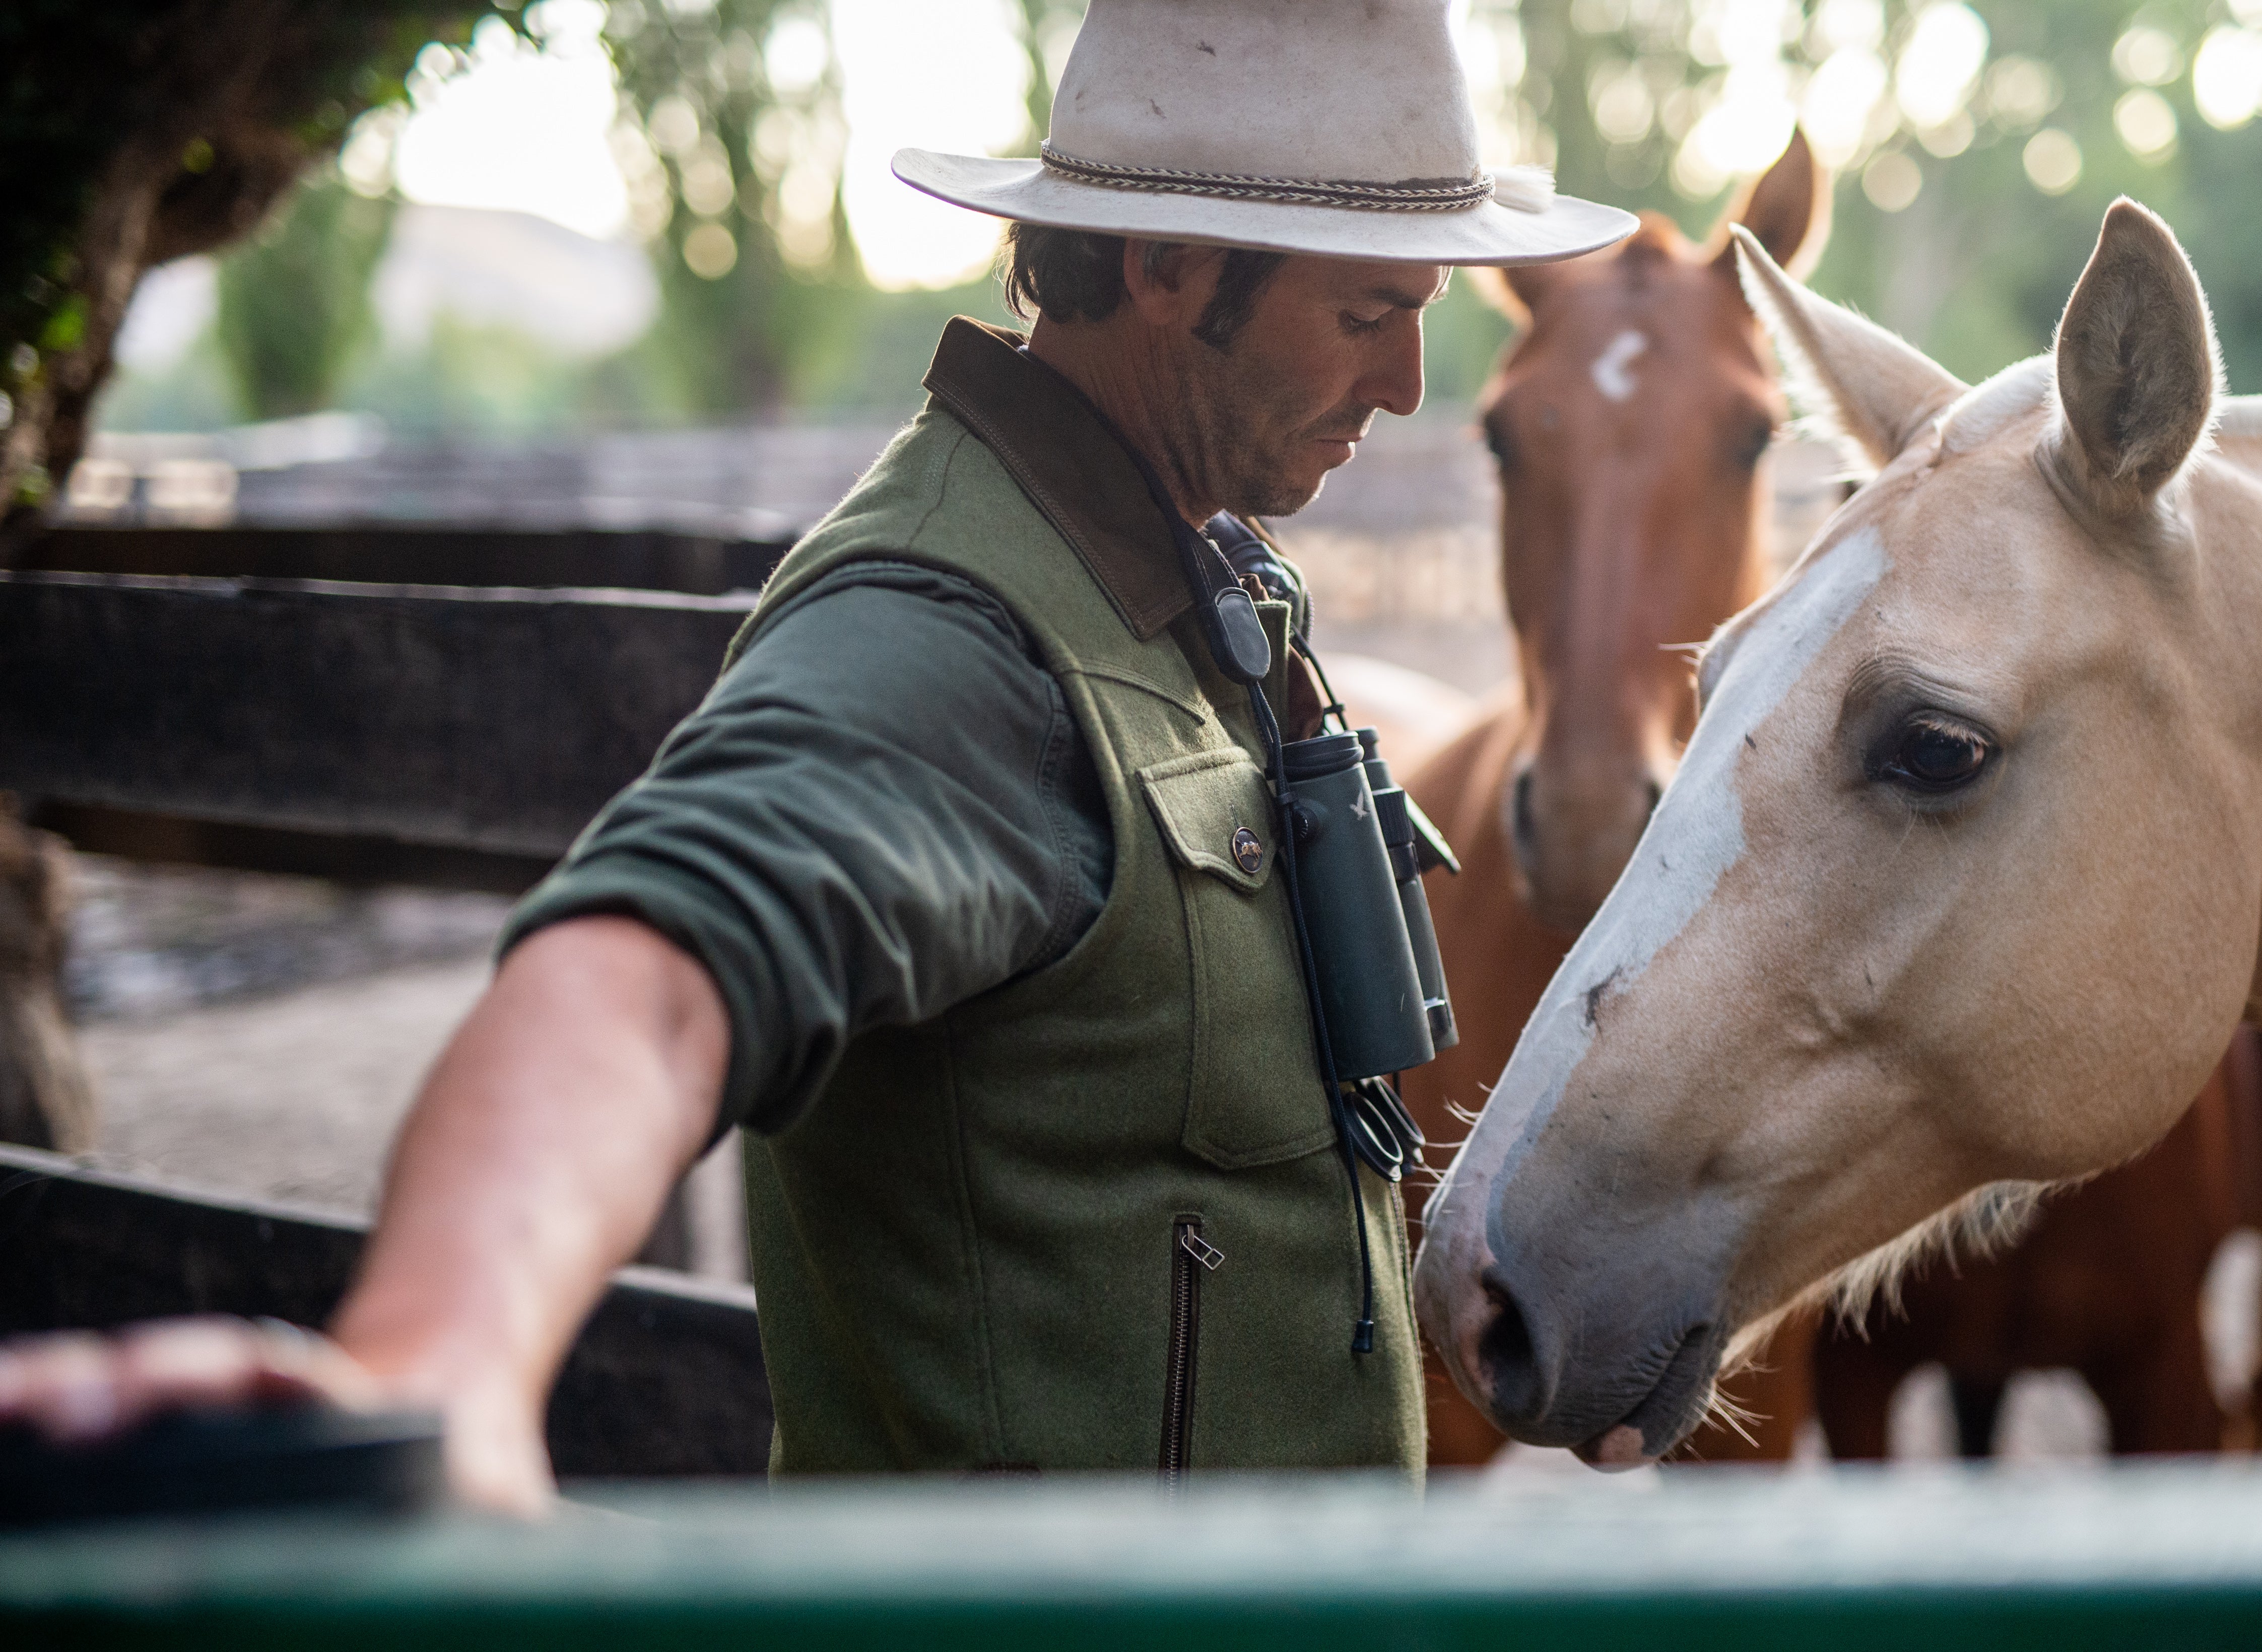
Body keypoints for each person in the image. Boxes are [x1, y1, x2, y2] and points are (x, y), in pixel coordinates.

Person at [0, 0, 1631, 1509]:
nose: (1409, 386)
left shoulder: (1181, 574)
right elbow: (644, 979)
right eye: (1367, 312)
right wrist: (435, 1361)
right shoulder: (952, 638)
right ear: (1163, 264)